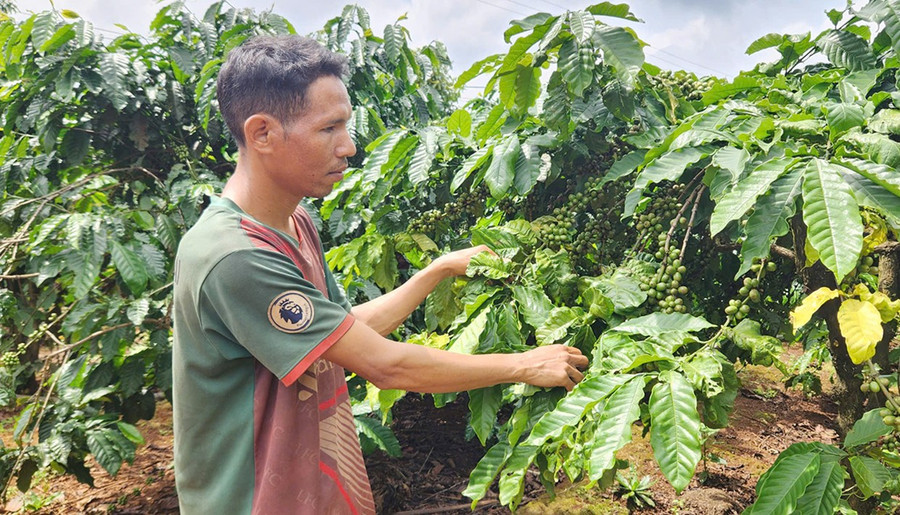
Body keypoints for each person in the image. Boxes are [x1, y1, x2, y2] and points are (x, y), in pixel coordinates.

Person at [171, 34, 588, 515]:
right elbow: (385, 366)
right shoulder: (234, 255)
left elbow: (343, 335)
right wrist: (525, 365)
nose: (348, 147)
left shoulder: (295, 221)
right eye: (330, 128)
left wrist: (437, 270)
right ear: (262, 133)